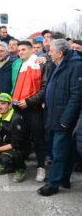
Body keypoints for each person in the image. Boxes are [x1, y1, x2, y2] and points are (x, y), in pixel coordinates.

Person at [38, 39, 82, 196]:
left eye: (51, 51)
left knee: (58, 151)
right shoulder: (60, 63)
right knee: (65, 150)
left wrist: (66, 120)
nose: (49, 53)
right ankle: (64, 178)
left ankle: (53, 184)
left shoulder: (75, 65)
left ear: (60, 53)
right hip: (54, 114)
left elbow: (76, 96)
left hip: (63, 117)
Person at [12, 41, 50, 182]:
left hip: (33, 109)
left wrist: (28, 102)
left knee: (38, 140)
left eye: (23, 49)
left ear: (31, 50)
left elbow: (44, 89)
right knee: (21, 139)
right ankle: (20, 167)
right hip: (19, 108)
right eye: (19, 50)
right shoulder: (21, 65)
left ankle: (41, 167)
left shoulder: (40, 63)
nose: (20, 52)